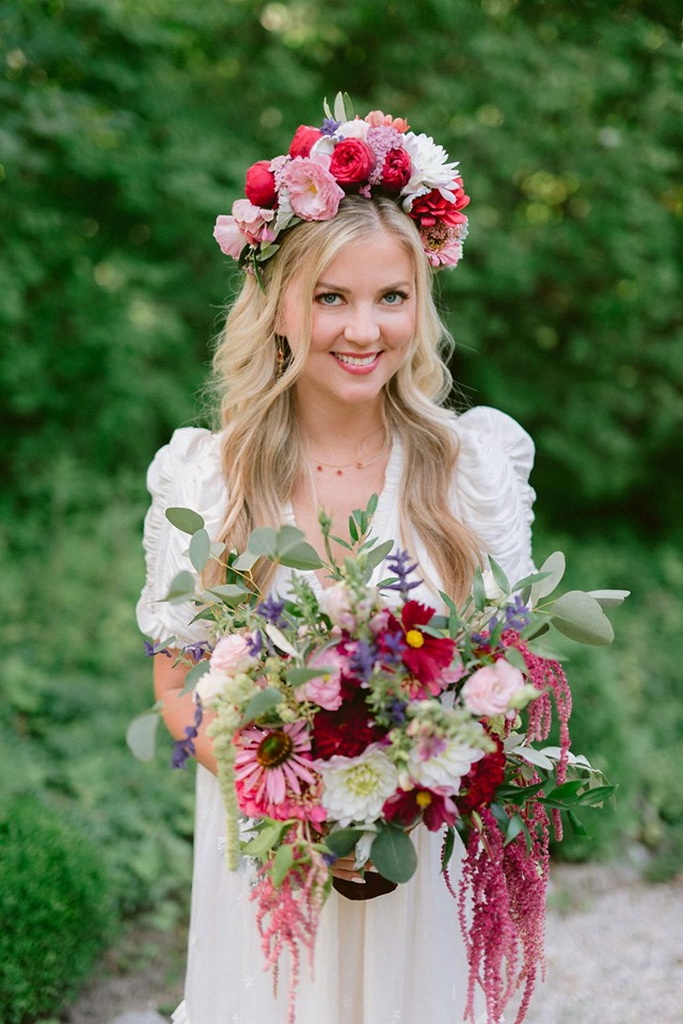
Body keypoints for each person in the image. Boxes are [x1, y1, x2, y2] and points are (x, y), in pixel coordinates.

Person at [136, 99, 536, 1024]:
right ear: (277, 306)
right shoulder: (214, 479)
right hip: (272, 865)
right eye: (331, 297)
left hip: (418, 862)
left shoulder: (465, 467)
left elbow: (501, 676)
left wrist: (412, 776)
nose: (364, 331)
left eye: (390, 297)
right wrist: (295, 796)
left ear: (418, 305)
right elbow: (178, 681)